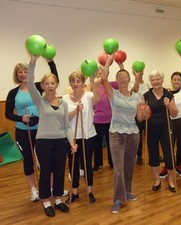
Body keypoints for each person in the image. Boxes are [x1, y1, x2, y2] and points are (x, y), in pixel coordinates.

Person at [27, 55, 77, 217]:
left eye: (52, 83)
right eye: (46, 83)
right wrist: (33, 62)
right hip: (43, 143)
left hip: (60, 142)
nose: (50, 86)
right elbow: (29, 82)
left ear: (56, 85)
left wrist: (72, 142)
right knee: (46, 172)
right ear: (42, 86)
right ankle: (46, 201)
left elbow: (66, 125)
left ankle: (57, 199)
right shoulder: (39, 101)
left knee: (59, 171)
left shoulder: (63, 103)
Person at [5, 58, 58, 202]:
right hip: (23, 131)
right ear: (17, 75)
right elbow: (8, 113)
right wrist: (20, 118)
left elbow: (54, 79)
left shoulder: (37, 87)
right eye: (20, 72)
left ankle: (49, 188)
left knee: (45, 160)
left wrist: (51, 62)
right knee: (28, 160)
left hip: (42, 129)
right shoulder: (13, 93)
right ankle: (33, 190)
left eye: (25, 71)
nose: (23, 74)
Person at [101, 54, 144, 214]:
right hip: (116, 134)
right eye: (120, 77)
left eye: (125, 77)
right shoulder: (113, 94)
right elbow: (104, 78)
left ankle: (127, 191)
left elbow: (139, 118)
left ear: (129, 79)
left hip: (133, 134)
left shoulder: (137, 97)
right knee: (118, 168)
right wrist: (108, 61)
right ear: (117, 80)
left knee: (128, 167)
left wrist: (144, 113)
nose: (123, 79)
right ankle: (118, 199)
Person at [62, 70, 99, 204]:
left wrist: (93, 81)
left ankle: (89, 191)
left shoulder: (89, 95)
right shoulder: (65, 98)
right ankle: (75, 193)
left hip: (88, 135)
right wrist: (76, 110)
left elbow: (98, 99)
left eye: (78, 81)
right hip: (72, 137)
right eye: (73, 81)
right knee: (73, 165)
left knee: (87, 164)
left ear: (83, 83)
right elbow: (65, 118)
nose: (75, 83)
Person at [143, 69, 178, 192]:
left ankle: (171, 180)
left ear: (162, 80)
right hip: (151, 129)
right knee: (153, 155)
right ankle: (157, 180)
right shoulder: (146, 95)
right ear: (150, 82)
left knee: (168, 155)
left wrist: (169, 105)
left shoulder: (168, 95)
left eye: (158, 79)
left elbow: (174, 114)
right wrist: (145, 113)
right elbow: (143, 116)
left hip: (165, 128)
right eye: (153, 79)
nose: (156, 81)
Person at [159, 71, 181, 177]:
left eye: (179, 79)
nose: (177, 81)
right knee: (169, 146)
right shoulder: (166, 93)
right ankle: (168, 166)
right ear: (171, 81)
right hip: (170, 122)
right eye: (174, 79)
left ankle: (179, 165)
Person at [92, 67, 117, 171]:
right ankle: (97, 163)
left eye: (104, 73)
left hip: (110, 120)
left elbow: (121, 80)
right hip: (97, 120)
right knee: (97, 143)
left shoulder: (111, 85)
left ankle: (112, 162)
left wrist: (121, 66)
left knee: (111, 142)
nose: (102, 75)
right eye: (99, 73)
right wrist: (98, 79)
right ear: (96, 74)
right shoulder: (93, 86)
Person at [130, 70, 150, 165]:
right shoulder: (131, 83)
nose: (140, 72)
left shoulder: (146, 84)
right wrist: (137, 78)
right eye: (137, 71)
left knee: (150, 135)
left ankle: (153, 155)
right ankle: (139, 155)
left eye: (141, 71)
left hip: (147, 114)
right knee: (138, 136)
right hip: (136, 113)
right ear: (133, 72)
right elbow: (135, 90)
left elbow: (150, 96)